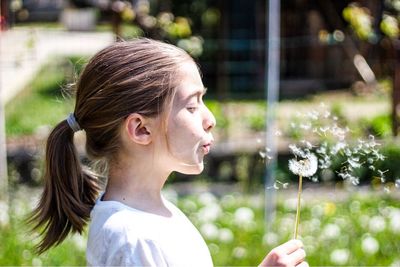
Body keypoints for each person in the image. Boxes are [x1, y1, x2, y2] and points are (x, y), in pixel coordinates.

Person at [30, 38, 308, 267]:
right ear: (140, 129)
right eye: (192, 106)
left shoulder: (156, 216)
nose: (210, 118)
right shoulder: (133, 239)